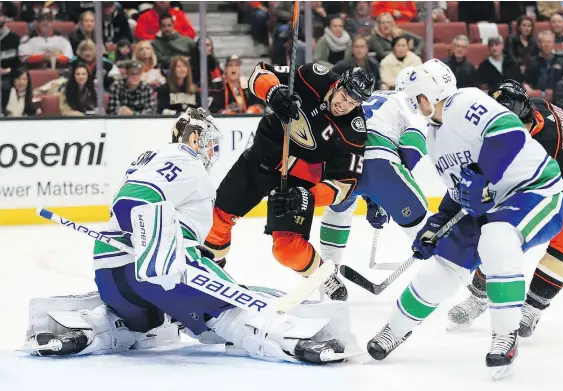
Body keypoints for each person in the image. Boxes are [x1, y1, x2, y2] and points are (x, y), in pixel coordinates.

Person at [23, 108, 350, 365]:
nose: (211, 152)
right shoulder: (182, 158)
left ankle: (91, 328)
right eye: (210, 143)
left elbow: (136, 208)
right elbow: (133, 200)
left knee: (150, 326)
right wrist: (155, 249)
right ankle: (292, 339)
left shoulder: (151, 160)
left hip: (116, 277)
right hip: (158, 268)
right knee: (230, 311)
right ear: (196, 138)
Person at [369, 60, 563, 380]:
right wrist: (438, 222)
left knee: (497, 239)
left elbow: (508, 135)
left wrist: (479, 174)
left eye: (414, 95)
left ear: (431, 93)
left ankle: (505, 335)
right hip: (490, 203)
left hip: (535, 190)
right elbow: (460, 190)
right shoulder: (434, 135)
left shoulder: (466, 101)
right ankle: (395, 329)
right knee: (443, 266)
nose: (410, 104)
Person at [204, 64, 374, 301]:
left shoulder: (354, 131)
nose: (344, 106)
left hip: (296, 184)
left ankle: (324, 276)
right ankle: (209, 274)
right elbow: (259, 73)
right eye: (344, 96)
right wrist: (273, 91)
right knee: (215, 223)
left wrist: (310, 197)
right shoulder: (314, 76)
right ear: (338, 85)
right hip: (262, 159)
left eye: (353, 104)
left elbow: (345, 184)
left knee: (288, 251)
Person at [447, 79, 563, 339]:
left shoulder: (543, 145)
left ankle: (532, 309)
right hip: (560, 178)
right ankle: (479, 297)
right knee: (505, 232)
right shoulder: (532, 107)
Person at [319, 80, 430, 268]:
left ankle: (328, 274)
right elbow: (410, 149)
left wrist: (373, 199)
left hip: (338, 158)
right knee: (423, 225)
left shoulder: (371, 95)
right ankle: (462, 275)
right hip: (379, 163)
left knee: (338, 210)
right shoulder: (410, 106)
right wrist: (383, 199)